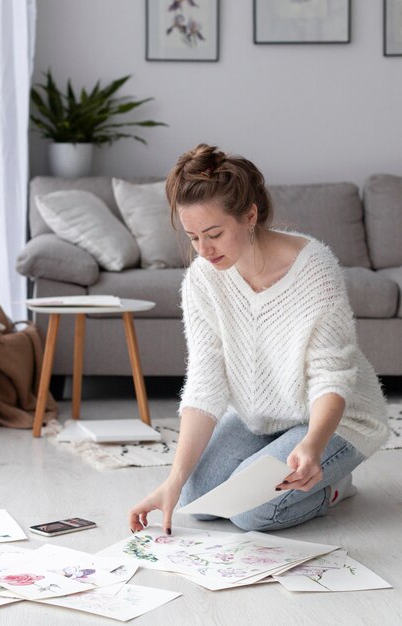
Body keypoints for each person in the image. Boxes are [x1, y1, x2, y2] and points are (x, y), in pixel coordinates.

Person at [129, 144, 388, 535]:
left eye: (214, 234)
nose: (204, 250)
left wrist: (314, 445)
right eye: (193, 237)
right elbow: (205, 384)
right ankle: (280, 464)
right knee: (194, 499)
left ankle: (333, 487)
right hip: (261, 416)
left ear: (250, 215)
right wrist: (173, 479)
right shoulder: (202, 279)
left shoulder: (313, 268)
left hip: (334, 419)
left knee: (252, 514)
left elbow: (331, 376)